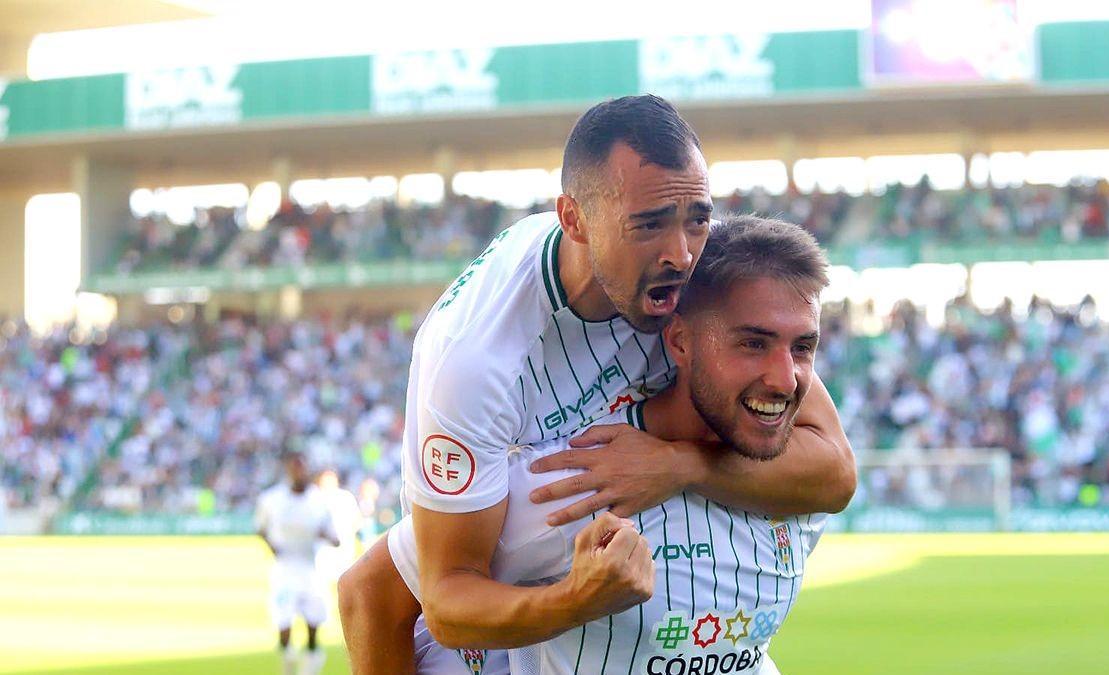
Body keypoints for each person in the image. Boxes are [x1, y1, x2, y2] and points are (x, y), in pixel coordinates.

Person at [339, 95, 854, 673]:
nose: (682, 254)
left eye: (698, 219)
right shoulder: (475, 361)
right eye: (650, 225)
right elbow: (403, 593)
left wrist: (681, 466)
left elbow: (834, 469)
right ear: (575, 219)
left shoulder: (705, 285)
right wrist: (577, 598)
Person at [388, 215, 832, 673]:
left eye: (803, 348)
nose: (785, 379)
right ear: (680, 342)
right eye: (752, 344)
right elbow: (374, 593)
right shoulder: (584, 476)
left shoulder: (800, 480)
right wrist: (573, 600)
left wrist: (686, 466)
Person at [255, 451, 340, 675]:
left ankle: (310, 670)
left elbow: (335, 535)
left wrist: (329, 537)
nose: (298, 472)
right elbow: (261, 529)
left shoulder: (319, 500)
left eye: (302, 468)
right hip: (284, 570)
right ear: (288, 470)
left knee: (313, 626)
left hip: (311, 570)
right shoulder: (272, 499)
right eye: (294, 468)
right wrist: (271, 546)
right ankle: (289, 663)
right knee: (284, 625)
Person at [315, 468, 363, 583]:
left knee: (344, 582)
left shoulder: (345, 497)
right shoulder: (315, 499)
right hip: (323, 550)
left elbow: (357, 521)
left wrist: (346, 535)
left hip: (344, 547)